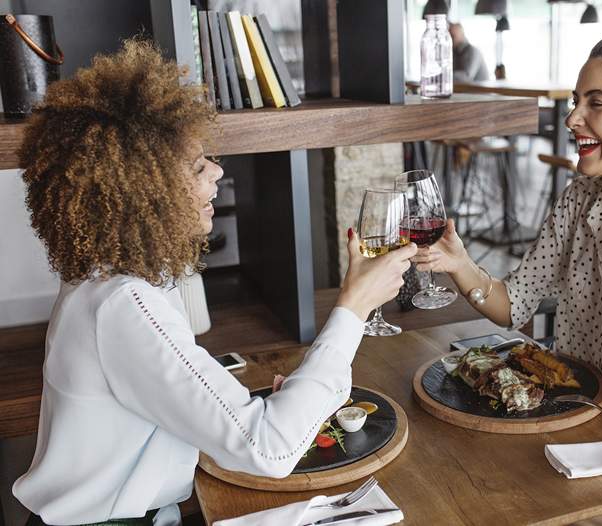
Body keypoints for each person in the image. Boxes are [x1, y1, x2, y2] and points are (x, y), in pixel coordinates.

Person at [12, 39, 416, 526]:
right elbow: (268, 451)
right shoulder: (124, 304)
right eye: (197, 165)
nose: (219, 172)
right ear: (145, 192)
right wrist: (352, 307)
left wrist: (292, 400)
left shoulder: (106, 280)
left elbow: (182, 400)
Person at [416, 1, 602, 523]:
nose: (572, 117)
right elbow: (515, 303)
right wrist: (460, 263)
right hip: (579, 434)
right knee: (447, 481)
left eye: (596, 103)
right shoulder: (581, 196)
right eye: (576, 99)